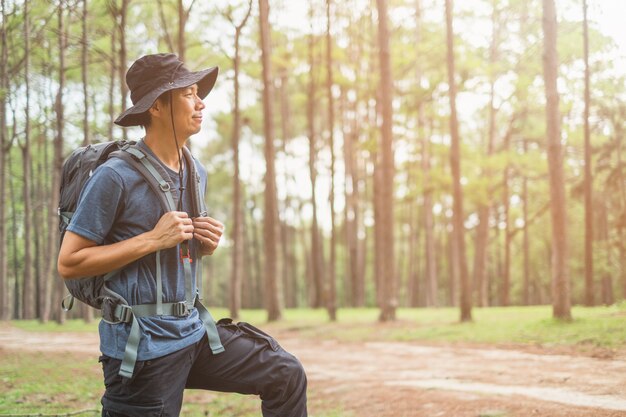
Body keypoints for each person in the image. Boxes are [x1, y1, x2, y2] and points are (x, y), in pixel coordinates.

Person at [57, 53, 307, 417]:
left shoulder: (195, 170)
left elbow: (175, 255)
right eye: (189, 94)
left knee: (285, 374)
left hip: (193, 332)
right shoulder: (114, 177)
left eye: (197, 92)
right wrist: (152, 239)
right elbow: (70, 262)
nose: (201, 102)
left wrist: (203, 245)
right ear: (157, 106)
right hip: (142, 350)